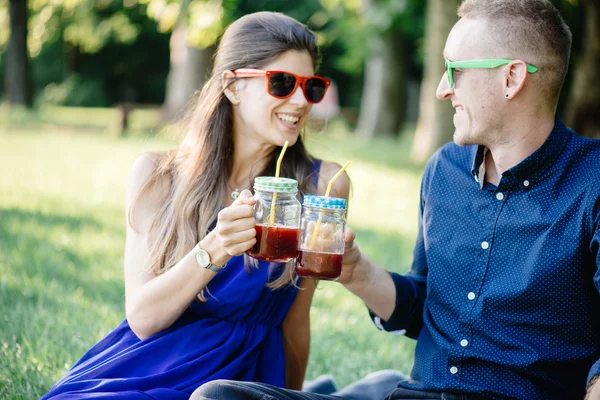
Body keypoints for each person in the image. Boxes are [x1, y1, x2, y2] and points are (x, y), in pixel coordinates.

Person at [191, 0, 600, 399]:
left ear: (511, 78)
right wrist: (354, 271)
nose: (442, 89)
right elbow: (424, 308)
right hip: (414, 394)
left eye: (454, 71)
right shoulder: (446, 171)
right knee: (218, 396)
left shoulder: (592, 182)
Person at [42, 11, 349, 400]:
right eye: (283, 83)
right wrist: (214, 248)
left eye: (312, 87)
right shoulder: (157, 174)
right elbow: (143, 318)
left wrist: (291, 396)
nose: (301, 101)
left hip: (237, 375)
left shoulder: (324, 184)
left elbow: (295, 319)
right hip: (150, 363)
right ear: (233, 86)